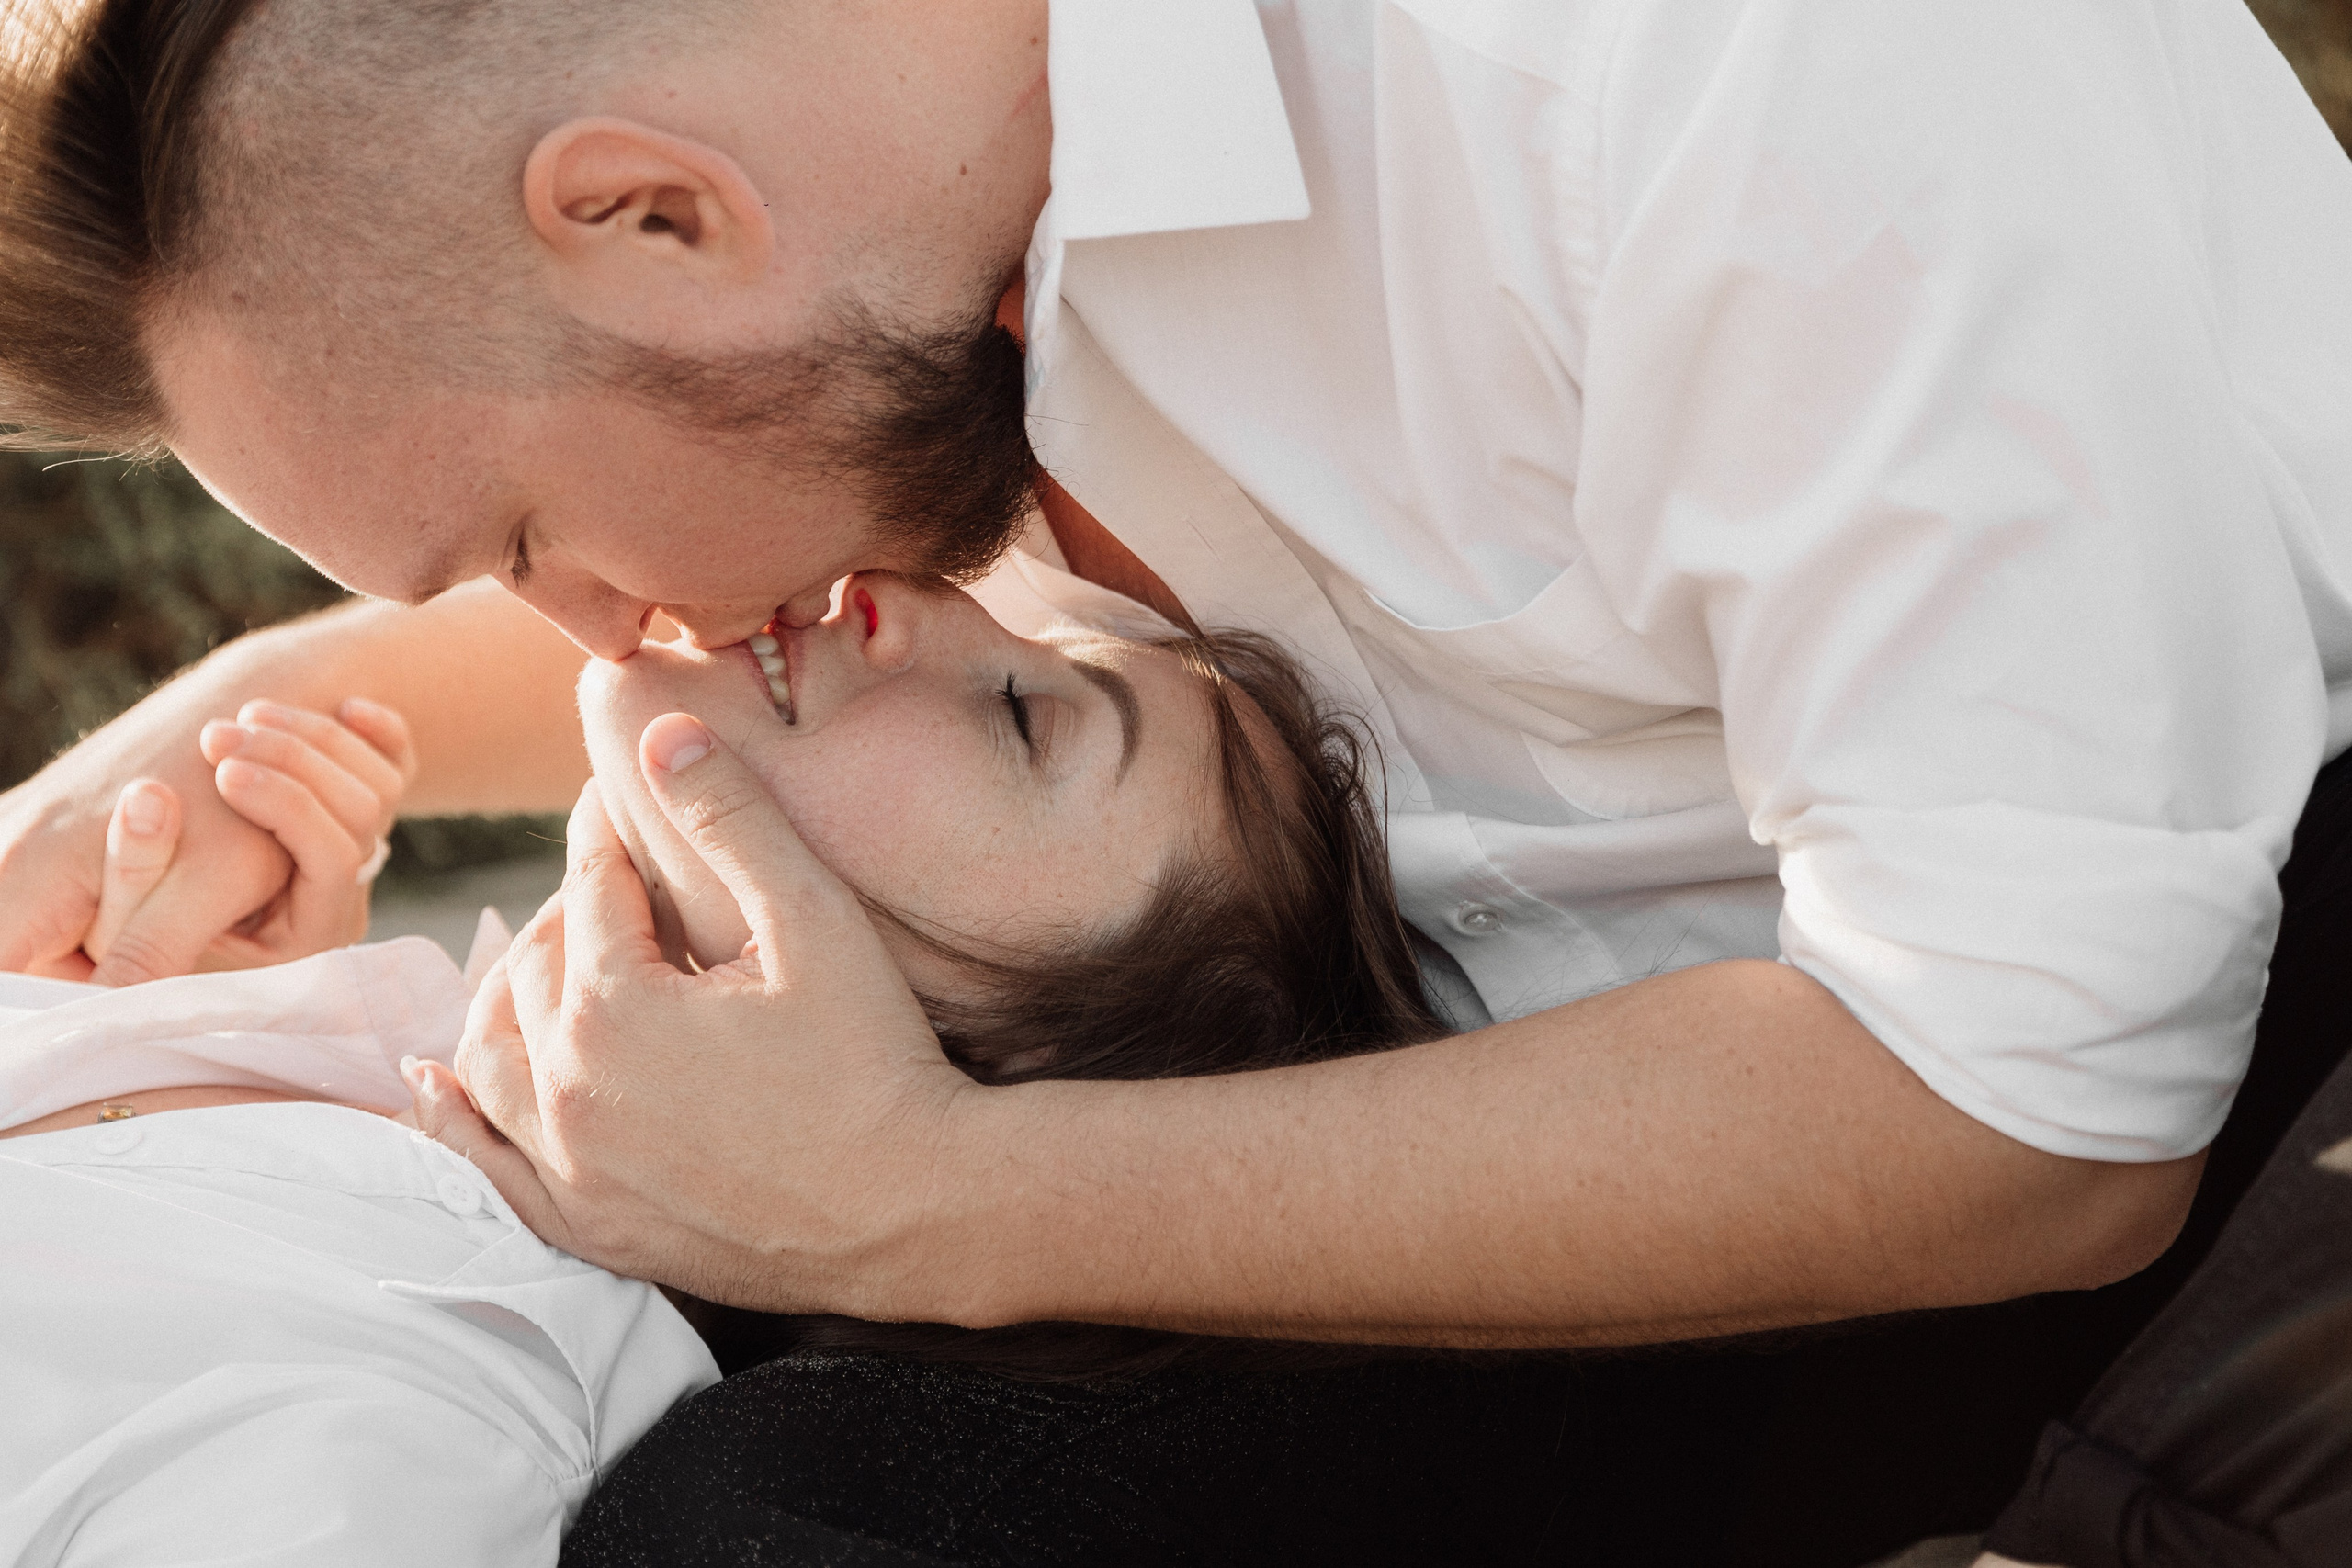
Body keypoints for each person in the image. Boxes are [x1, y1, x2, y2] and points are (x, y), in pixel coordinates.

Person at [1, 0, 2349, 1558]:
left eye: (522, 545)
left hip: (2011, 1167)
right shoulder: (936, 213)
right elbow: (821, 610)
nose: (599, 647)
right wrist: (154, 787)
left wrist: (916, 1189)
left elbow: (2032, 1105)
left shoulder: (1712, 83)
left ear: (650, 215)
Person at [2, 568, 1455, 1564]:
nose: (920, 598)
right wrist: (153, 1043)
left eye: (1023, 712)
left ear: (974, 1067)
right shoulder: (284, 1028)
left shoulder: (412, 1414)